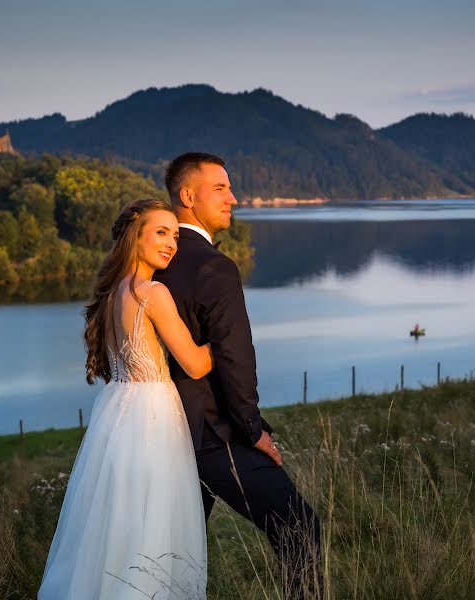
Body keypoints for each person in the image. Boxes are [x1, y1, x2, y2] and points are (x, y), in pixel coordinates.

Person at [154, 152, 322, 598]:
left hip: (159, 430)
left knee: (172, 552)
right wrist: (253, 431)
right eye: (221, 189)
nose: (234, 198)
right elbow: (235, 357)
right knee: (299, 525)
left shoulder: (150, 262)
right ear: (188, 196)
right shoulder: (213, 266)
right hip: (213, 432)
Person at [39, 199, 211, 600]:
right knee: (151, 514)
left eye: (175, 235)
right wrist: (227, 335)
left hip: (117, 411)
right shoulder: (152, 293)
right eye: (161, 232)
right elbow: (197, 364)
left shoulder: (114, 293)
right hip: (151, 413)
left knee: (117, 515)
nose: (173, 243)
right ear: (136, 235)